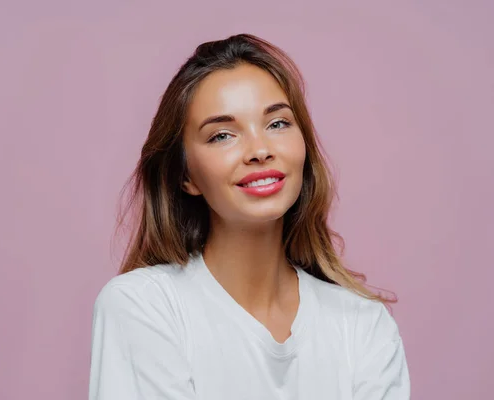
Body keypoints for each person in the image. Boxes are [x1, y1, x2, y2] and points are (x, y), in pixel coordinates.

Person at [88, 33, 410, 399]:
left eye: (277, 124)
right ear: (186, 176)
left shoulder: (364, 325)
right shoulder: (143, 307)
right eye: (222, 135)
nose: (259, 150)